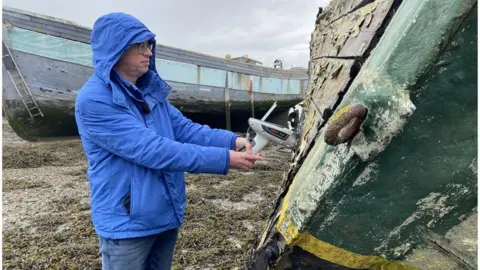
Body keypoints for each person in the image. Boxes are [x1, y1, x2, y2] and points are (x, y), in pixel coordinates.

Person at [74, 12, 263, 270]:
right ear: (116, 48)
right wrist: (224, 159)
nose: (148, 53)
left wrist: (232, 141)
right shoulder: (94, 100)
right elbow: (153, 150)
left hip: (164, 213)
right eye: (139, 46)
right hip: (126, 224)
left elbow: (185, 129)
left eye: (148, 46)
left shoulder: (149, 90)